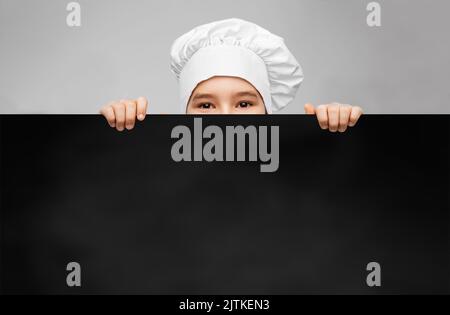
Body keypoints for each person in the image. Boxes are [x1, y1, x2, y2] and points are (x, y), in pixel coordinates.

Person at [100, 18, 363, 133]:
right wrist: (121, 131)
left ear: (269, 114)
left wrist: (337, 132)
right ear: (183, 117)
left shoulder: (298, 169)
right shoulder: (156, 172)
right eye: (205, 105)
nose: (226, 119)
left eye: (244, 103)